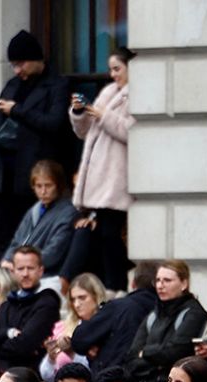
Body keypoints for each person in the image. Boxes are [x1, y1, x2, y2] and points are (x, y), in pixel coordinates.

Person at [0, 30, 74, 259]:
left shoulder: (57, 85)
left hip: (33, 172)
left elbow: (54, 123)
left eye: (21, 64)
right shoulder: (12, 85)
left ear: (36, 59)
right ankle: (0, 280)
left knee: (32, 234)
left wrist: (17, 110)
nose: (17, 70)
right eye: (14, 65)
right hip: (4, 174)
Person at [63, 47, 134, 290]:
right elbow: (84, 132)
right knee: (103, 234)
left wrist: (103, 115)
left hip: (116, 174)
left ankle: (117, 285)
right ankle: (109, 285)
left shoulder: (136, 94)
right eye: (111, 70)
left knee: (110, 235)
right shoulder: (108, 92)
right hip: (99, 172)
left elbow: (132, 132)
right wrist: (79, 112)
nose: (113, 74)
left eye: (118, 69)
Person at [125, 260, 207, 382]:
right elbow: (132, 358)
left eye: (167, 280)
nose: (160, 285)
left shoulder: (193, 313)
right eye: (157, 280)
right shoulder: (153, 315)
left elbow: (176, 351)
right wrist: (158, 364)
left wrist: (145, 353)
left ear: (184, 284)